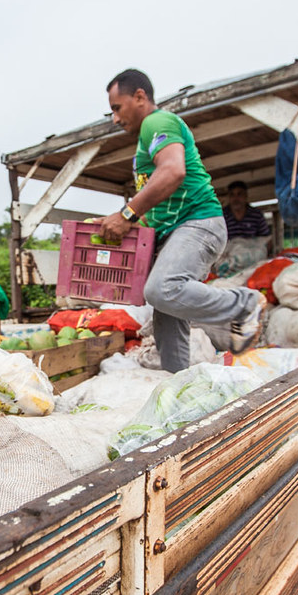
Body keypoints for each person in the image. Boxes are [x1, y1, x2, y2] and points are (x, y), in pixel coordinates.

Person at [99, 69, 266, 372]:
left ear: (139, 97)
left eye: (116, 107)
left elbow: (174, 172)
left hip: (199, 223)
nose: (114, 118)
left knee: (161, 289)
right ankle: (179, 384)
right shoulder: (145, 142)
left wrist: (127, 213)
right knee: (166, 318)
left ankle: (245, 304)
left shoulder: (157, 122)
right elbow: (160, 207)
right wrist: (126, 222)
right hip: (178, 230)